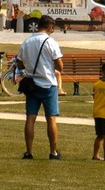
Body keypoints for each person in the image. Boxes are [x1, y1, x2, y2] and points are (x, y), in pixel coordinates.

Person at [18, 15, 63, 160]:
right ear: (50, 27)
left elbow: (20, 64)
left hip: (32, 84)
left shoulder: (27, 41)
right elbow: (59, 65)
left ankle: (29, 151)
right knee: (51, 119)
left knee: (30, 118)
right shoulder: (51, 42)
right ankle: (53, 152)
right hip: (48, 84)